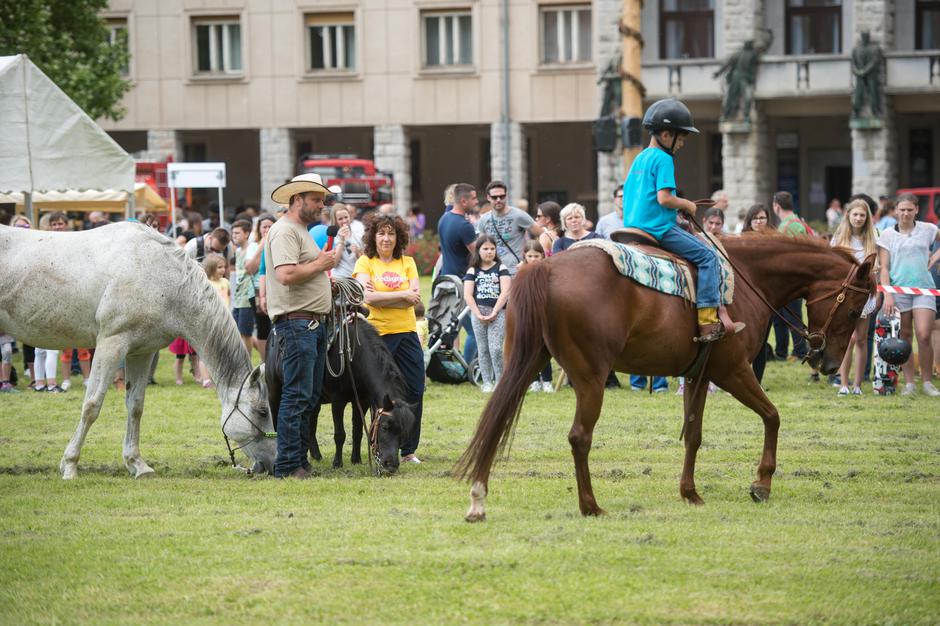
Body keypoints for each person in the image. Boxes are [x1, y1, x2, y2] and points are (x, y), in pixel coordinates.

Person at [622, 98, 743, 343]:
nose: (683, 143)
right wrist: (687, 205)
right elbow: (665, 198)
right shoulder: (663, 159)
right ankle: (708, 322)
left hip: (632, 226)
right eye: (681, 137)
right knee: (709, 257)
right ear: (666, 135)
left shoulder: (640, 158)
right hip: (658, 229)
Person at [266, 173, 340, 478]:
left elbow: (300, 271)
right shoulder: (285, 230)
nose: (322, 205)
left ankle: (298, 460)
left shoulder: (298, 230)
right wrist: (321, 265)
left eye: (322, 200)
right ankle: (288, 464)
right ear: (297, 200)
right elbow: (285, 275)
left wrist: (323, 279)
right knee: (297, 396)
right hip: (298, 325)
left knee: (307, 397)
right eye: (316, 200)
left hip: (309, 324)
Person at [354, 214, 425, 464]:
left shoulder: (408, 262)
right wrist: (402, 295)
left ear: (399, 237)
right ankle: (381, 446)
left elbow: (414, 299)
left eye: (391, 233)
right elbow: (367, 299)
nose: (386, 238)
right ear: (373, 237)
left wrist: (385, 298)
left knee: (415, 389)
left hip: (406, 333)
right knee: (380, 394)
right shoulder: (365, 262)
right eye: (382, 233)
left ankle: (409, 450)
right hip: (378, 337)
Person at [877, 193, 940, 396]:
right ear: (896, 210)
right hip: (898, 290)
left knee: (924, 334)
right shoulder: (887, 235)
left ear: (917, 210)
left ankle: (928, 382)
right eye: (902, 210)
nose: (905, 213)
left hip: (924, 289)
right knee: (904, 337)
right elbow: (884, 268)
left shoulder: (928, 229)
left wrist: (936, 257)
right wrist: (887, 294)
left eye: (909, 210)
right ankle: (910, 383)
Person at [831, 199, 880, 395]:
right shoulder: (839, 239)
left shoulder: (873, 238)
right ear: (848, 216)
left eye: (862, 215)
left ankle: (858, 385)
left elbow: (877, 268)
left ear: (867, 217)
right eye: (855, 214)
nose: (858, 218)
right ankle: (843, 383)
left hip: (865, 295)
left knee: (861, 339)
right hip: (845, 294)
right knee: (846, 339)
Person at [437, 183, 480, 363]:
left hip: (446, 280)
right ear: (463, 201)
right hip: (461, 284)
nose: (476, 202)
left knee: (451, 329)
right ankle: (468, 368)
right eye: (474, 198)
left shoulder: (444, 219)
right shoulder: (464, 226)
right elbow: (479, 255)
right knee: (475, 331)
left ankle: (452, 365)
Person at [463, 235, 511, 393]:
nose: (489, 252)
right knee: (483, 349)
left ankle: (500, 381)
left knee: (496, 348)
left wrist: (495, 311)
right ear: (478, 250)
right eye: (485, 249)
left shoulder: (501, 268)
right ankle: (487, 382)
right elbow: (468, 295)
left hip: (498, 313)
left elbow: (506, 292)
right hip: (478, 314)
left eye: (492, 249)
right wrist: (477, 313)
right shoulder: (473, 270)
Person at [772, 191, 811, 363]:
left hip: (789, 280)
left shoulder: (787, 226)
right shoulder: (797, 222)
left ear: (776, 206)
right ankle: (784, 352)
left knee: (792, 317)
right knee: (782, 317)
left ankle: (800, 351)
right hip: (794, 278)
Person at [475, 180, 543, 276]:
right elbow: (480, 247)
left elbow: (542, 234)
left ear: (506, 196)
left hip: (515, 271)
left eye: (502, 196)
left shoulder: (519, 215)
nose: (498, 200)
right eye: (494, 197)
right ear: (488, 198)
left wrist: (531, 257)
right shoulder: (484, 219)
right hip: (492, 272)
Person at [520, 241, 554, 393]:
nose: (533, 259)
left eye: (536, 256)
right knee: (529, 350)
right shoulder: (521, 272)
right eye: (530, 256)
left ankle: (547, 381)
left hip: (543, 314)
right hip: (527, 315)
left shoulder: (547, 271)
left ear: (542, 256)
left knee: (543, 348)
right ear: (524, 256)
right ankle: (534, 381)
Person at [245, 213, 277, 360]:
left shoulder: (280, 243)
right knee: (263, 328)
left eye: (270, 226)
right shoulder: (253, 246)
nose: (267, 229)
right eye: (264, 227)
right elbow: (250, 269)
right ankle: (265, 362)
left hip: (276, 290)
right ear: (259, 229)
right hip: (258, 292)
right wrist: (262, 246)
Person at [229, 220, 256, 357]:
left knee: (246, 334)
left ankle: (247, 363)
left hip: (247, 298)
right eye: (233, 233)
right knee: (239, 333)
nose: (234, 236)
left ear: (246, 234)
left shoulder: (252, 248)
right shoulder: (238, 251)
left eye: (237, 233)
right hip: (238, 299)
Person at [329, 203, 361, 278]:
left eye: (346, 217)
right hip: (340, 279)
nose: (344, 221)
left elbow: (364, 261)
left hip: (355, 278)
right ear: (335, 221)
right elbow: (333, 264)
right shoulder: (332, 237)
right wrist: (341, 241)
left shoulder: (357, 235)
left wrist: (357, 252)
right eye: (340, 219)